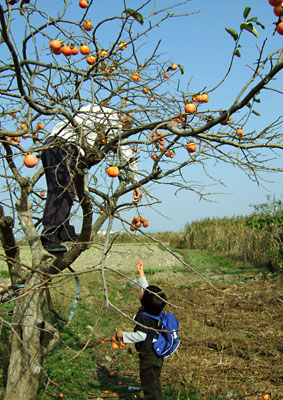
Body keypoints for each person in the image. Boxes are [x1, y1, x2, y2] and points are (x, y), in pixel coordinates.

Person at [41, 103, 142, 251]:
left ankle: (63, 231)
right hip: (63, 147)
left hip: (54, 145)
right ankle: (49, 237)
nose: (123, 132)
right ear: (125, 121)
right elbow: (124, 151)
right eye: (125, 130)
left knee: (66, 190)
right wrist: (136, 184)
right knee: (61, 190)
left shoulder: (97, 110)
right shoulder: (113, 121)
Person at [116, 261, 167, 400]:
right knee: (153, 382)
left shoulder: (144, 317)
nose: (142, 290)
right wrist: (141, 272)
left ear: (144, 301)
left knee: (149, 385)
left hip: (149, 356)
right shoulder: (154, 310)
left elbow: (140, 336)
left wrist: (123, 335)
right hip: (156, 354)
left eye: (143, 292)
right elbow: (146, 289)